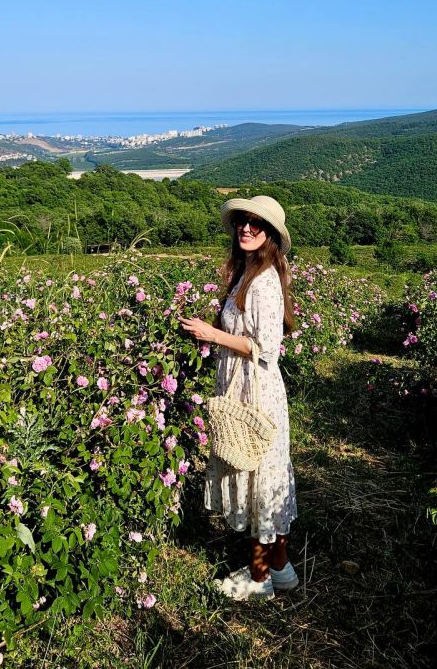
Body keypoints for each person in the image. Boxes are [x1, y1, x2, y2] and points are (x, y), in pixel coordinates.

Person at [180, 195, 298, 600]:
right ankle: (280, 568)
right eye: (241, 222)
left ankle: (259, 579)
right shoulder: (247, 272)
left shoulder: (264, 281)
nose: (245, 228)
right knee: (264, 474)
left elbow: (267, 347)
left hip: (257, 390)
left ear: (270, 234)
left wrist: (211, 334)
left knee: (259, 477)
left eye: (255, 223)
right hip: (244, 382)